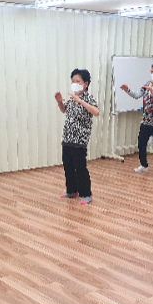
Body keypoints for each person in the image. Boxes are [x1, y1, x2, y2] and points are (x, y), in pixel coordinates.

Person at [55, 68, 100, 204]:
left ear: (85, 84)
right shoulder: (72, 98)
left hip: (79, 140)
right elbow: (64, 110)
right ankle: (72, 191)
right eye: (73, 81)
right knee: (68, 166)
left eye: (78, 81)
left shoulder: (88, 98)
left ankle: (86, 194)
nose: (74, 83)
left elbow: (96, 112)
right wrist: (59, 102)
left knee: (80, 167)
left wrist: (81, 102)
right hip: (67, 138)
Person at [121, 62, 153, 175]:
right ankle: (144, 165)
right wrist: (127, 90)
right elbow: (137, 95)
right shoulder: (148, 84)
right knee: (141, 143)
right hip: (146, 121)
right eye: (152, 71)